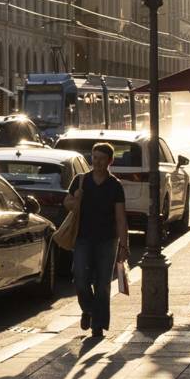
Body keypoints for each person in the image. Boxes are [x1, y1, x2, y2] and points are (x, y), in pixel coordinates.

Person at [63, 141, 129, 339]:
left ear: (110, 161)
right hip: (82, 238)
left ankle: (98, 325)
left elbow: (120, 218)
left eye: (101, 159)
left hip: (107, 240)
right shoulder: (81, 180)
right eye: (95, 158)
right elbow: (67, 203)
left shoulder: (115, 186)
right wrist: (76, 199)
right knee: (80, 280)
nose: (97, 162)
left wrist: (124, 245)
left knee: (103, 284)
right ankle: (89, 310)